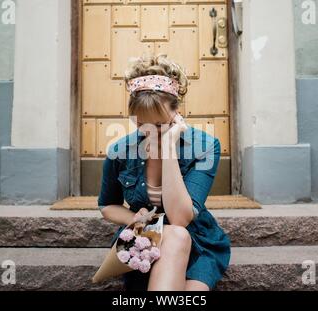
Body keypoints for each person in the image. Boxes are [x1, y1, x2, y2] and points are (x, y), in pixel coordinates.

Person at [97, 53, 231, 291]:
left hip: (197, 239)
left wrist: (169, 147)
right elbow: (107, 205)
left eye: (160, 124)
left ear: (177, 112)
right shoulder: (119, 151)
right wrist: (134, 218)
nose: (150, 131)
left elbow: (180, 219)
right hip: (144, 242)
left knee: (178, 238)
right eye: (141, 123)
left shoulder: (205, 146)